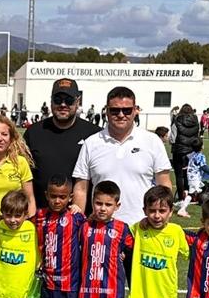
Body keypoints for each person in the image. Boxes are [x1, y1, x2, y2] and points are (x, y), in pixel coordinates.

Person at [72, 87, 171, 224]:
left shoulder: (152, 141)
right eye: (115, 110)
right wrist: (77, 223)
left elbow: (164, 185)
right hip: (102, 228)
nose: (120, 114)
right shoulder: (91, 143)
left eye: (127, 110)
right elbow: (81, 189)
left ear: (135, 110)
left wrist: (163, 218)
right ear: (106, 111)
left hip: (142, 227)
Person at [25, 78, 98, 216]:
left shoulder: (93, 134)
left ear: (78, 102)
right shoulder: (33, 132)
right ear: (51, 101)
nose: (63, 104)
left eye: (69, 100)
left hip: (80, 219)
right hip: (40, 218)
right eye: (58, 99)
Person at [169, 104, 201, 187]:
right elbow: (197, 136)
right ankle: (188, 192)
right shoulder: (196, 121)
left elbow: (173, 138)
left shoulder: (177, 120)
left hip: (178, 150)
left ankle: (181, 194)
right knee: (189, 173)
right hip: (191, 150)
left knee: (179, 175)